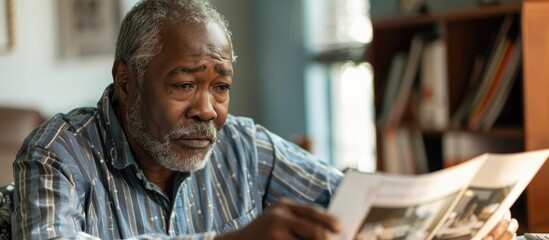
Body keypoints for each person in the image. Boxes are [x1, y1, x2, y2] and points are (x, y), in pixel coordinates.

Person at [11, 0, 518, 239]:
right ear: (126, 81)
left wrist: (460, 226)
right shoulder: (58, 150)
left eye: (221, 87)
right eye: (184, 85)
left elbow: (354, 209)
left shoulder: (245, 146)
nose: (207, 109)